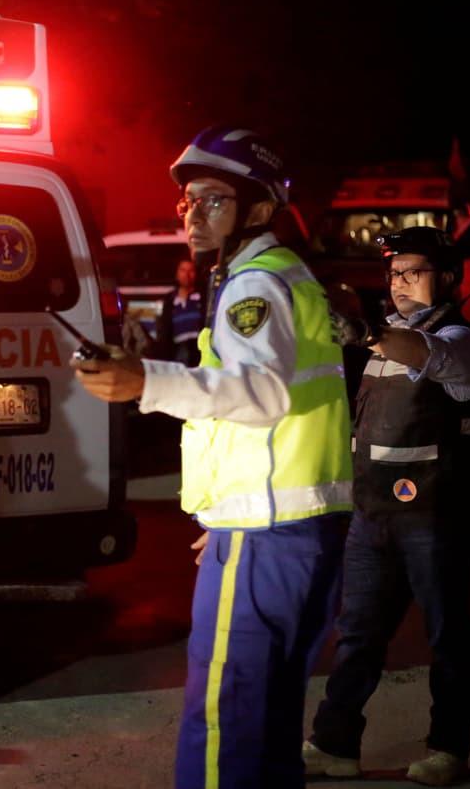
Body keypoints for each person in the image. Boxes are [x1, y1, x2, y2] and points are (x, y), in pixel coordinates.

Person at [68, 125, 353, 788]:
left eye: (213, 200)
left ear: (258, 210)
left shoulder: (254, 287)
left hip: (266, 534)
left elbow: (263, 393)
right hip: (296, 527)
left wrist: (147, 381)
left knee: (225, 715)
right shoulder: (289, 278)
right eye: (189, 201)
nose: (192, 214)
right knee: (270, 718)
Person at [304, 226, 470, 787]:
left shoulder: (461, 339)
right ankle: (334, 745)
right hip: (374, 514)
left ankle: (448, 749)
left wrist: (367, 332)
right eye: (393, 274)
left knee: (448, 635)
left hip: (439, 514)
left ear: (448, 279)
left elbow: (426, 355)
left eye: (413, 272)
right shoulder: (387, 338)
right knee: (357, 631)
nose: (400, 283)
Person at [154, 257, 204, 366]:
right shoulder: (170, 299)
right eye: (182, 270)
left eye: (191, 271)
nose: (186, 274)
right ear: (177, 273)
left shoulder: (203, 297)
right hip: (178, 350)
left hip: (200, 349)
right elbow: (164, 329)